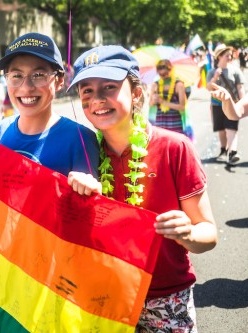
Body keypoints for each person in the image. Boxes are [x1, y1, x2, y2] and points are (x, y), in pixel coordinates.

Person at [67, 45, 217, 332]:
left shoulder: (175, 147)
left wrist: (187, 233)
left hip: (167, 296)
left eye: (109, 87)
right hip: (105, 296)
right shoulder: (83, 152)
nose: (97, 99)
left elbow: (208, 234)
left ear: (136, 93)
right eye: (86, 90)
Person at [0, 32, 99, 179]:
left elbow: (89, 200)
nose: (26, 88)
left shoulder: (80, 139)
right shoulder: (2, 129)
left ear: (59, 80)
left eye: (38, 75)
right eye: (16, 76)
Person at [206, 44, 245, 165]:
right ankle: (223, 150)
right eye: (227, 55)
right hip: (217, 105)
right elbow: (208, 88)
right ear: (219, 57)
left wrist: (242, 103)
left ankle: (232, 152)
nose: (230, 57)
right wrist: (215, 77)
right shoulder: (212, 71)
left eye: (230, 55)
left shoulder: (235, 70)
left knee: (231, 127)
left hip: (233, 104)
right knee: (221, 129)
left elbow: (240, 88)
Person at [149, 59, 188, 135]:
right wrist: (153, 100)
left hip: (175, 122)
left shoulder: (178, 84)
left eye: (165, 74)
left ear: (171, 70)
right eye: (161, 75)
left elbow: (182, 107)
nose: (163, 77)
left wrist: (163, 102)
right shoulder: (155, 85)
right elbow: (150, 104)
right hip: (160, 123)